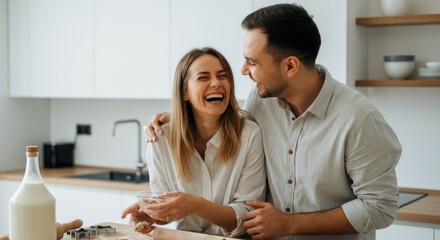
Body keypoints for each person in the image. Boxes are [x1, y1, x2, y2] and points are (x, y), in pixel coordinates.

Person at [145, 3, 402, 240]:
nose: (244, 70)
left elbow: (380, 208)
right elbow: (227, 117)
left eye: (253, 62)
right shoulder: (260, 100)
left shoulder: (358, 119)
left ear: (290, 66)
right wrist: (179, 115)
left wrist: (289, 224)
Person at [121, 47, 266, 238]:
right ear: (184, 92)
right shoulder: (160, 138)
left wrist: (196, 205)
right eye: (203, 77)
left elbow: (248, 215)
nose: (216, 83)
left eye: (222, 76)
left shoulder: (249, 135)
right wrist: (151, 215)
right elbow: (165, 205)